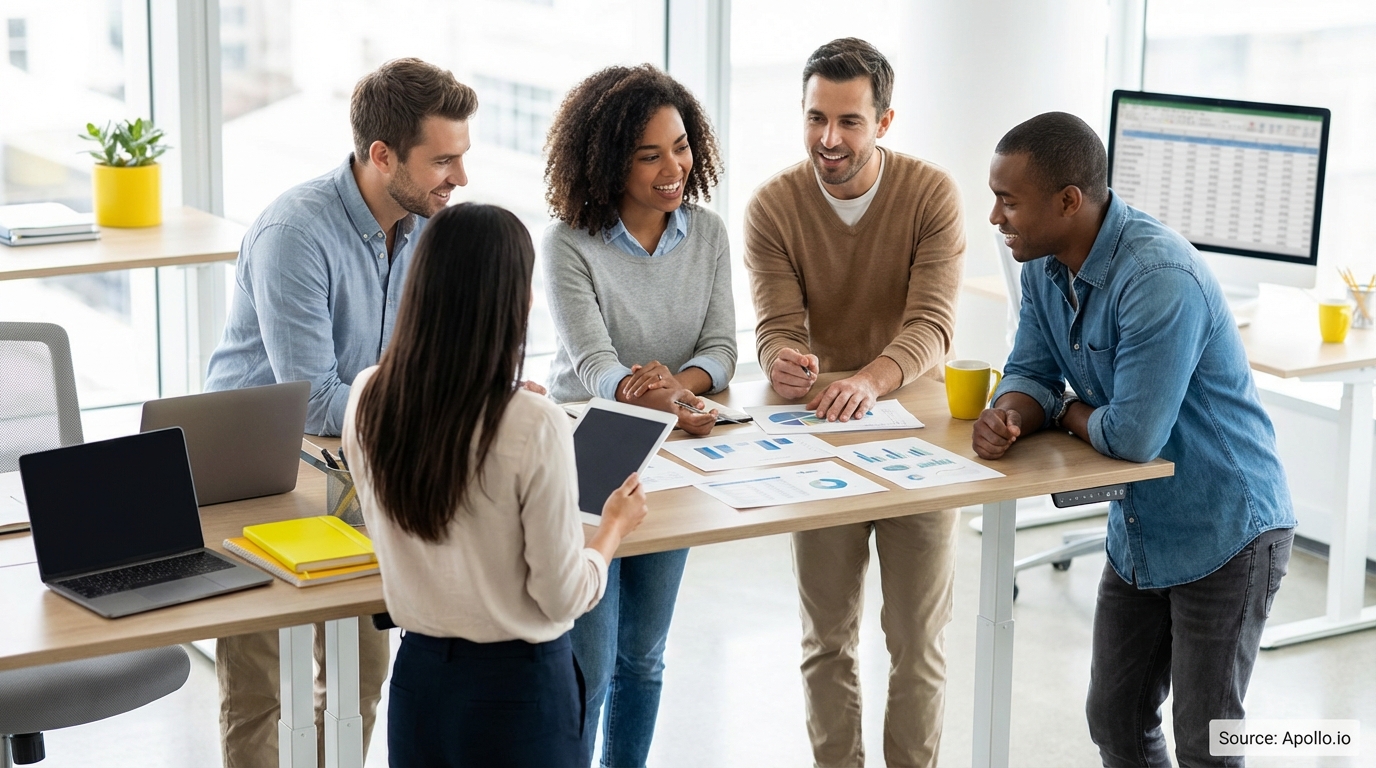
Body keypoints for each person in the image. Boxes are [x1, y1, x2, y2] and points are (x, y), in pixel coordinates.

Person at [975, 111, 1295, 766]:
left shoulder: (1158, 279)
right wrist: (1008, 412)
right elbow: (1032, 369)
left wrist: (1063, 412)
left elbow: (1133, 436)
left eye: (1008, 201)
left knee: (1207, 742)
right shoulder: (1044, 266)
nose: (995, 217)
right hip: (1142, 531)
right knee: (1115, 716)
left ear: (1068, 202)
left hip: (1227, 531)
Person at [203, 58, 477, 767]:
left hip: (359, 461)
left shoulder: (425, 226)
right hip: (253, 472)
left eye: (462, 157)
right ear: (382, 156)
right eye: (443, 160)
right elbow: (317, 401)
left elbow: (434, 358)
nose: (460, 178)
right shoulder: (295, 233)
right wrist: (441, 395)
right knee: (261, 686)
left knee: (360, 674)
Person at [342, 202, 646, 767]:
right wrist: (610, 533)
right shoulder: (533, 424)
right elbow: (561, 595)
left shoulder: (367, 396)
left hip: (418, 684)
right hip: (519, 692)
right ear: (515, 301)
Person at [743, 38, 965, 768]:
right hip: (820, 436)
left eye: (849, 122)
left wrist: (868, 379)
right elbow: (777, 327)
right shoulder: (774, 205)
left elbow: (932, 326)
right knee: (827, 638)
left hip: (916, 437)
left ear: (885, 121)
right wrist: (783, 360)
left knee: (916, 643)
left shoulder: (931, 195)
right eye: (815, 119)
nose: (828, 140)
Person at [541, 63, 736, 768]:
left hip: (674, 456)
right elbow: (592, 364)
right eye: (648, 154)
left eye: (680, 146)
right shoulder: (566, 243)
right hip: (587, 457)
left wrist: (674, 392)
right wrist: (656, 394)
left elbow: (721, 350)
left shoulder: (706, 234)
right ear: (606, 160)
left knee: (644, 657)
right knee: (588, 665)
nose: (672, 167)